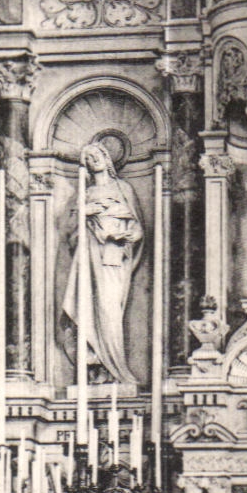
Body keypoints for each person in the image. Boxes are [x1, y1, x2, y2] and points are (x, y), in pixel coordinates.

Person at [62, 139, 144, 385]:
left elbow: (138, 228)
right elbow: (70, 233)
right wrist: (84, 214)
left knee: (109, 310)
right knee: (87, 306)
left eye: (96, 154)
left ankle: (114, 366)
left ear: (106, 157)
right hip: (88, 259)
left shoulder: (123, 189)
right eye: (87, 157)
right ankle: (93, 366)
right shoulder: (84, 195)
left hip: (112, 258)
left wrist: (123, 235)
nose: (92, 159)